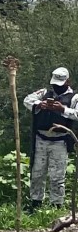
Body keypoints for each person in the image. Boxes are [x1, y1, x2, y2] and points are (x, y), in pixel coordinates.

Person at [23, 67, 78, 213]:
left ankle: (56, 206)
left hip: (60, 141)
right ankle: (35, 204)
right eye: (55, 84)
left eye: (59, 84)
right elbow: (27, 100)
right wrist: (39, 104)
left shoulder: (74, 98)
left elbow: (77, 114)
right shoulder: (44, 93)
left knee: (57, 175)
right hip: (41, 138)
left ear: (68, 81)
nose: (56, 87)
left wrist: (63, 110)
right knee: (37, 172)